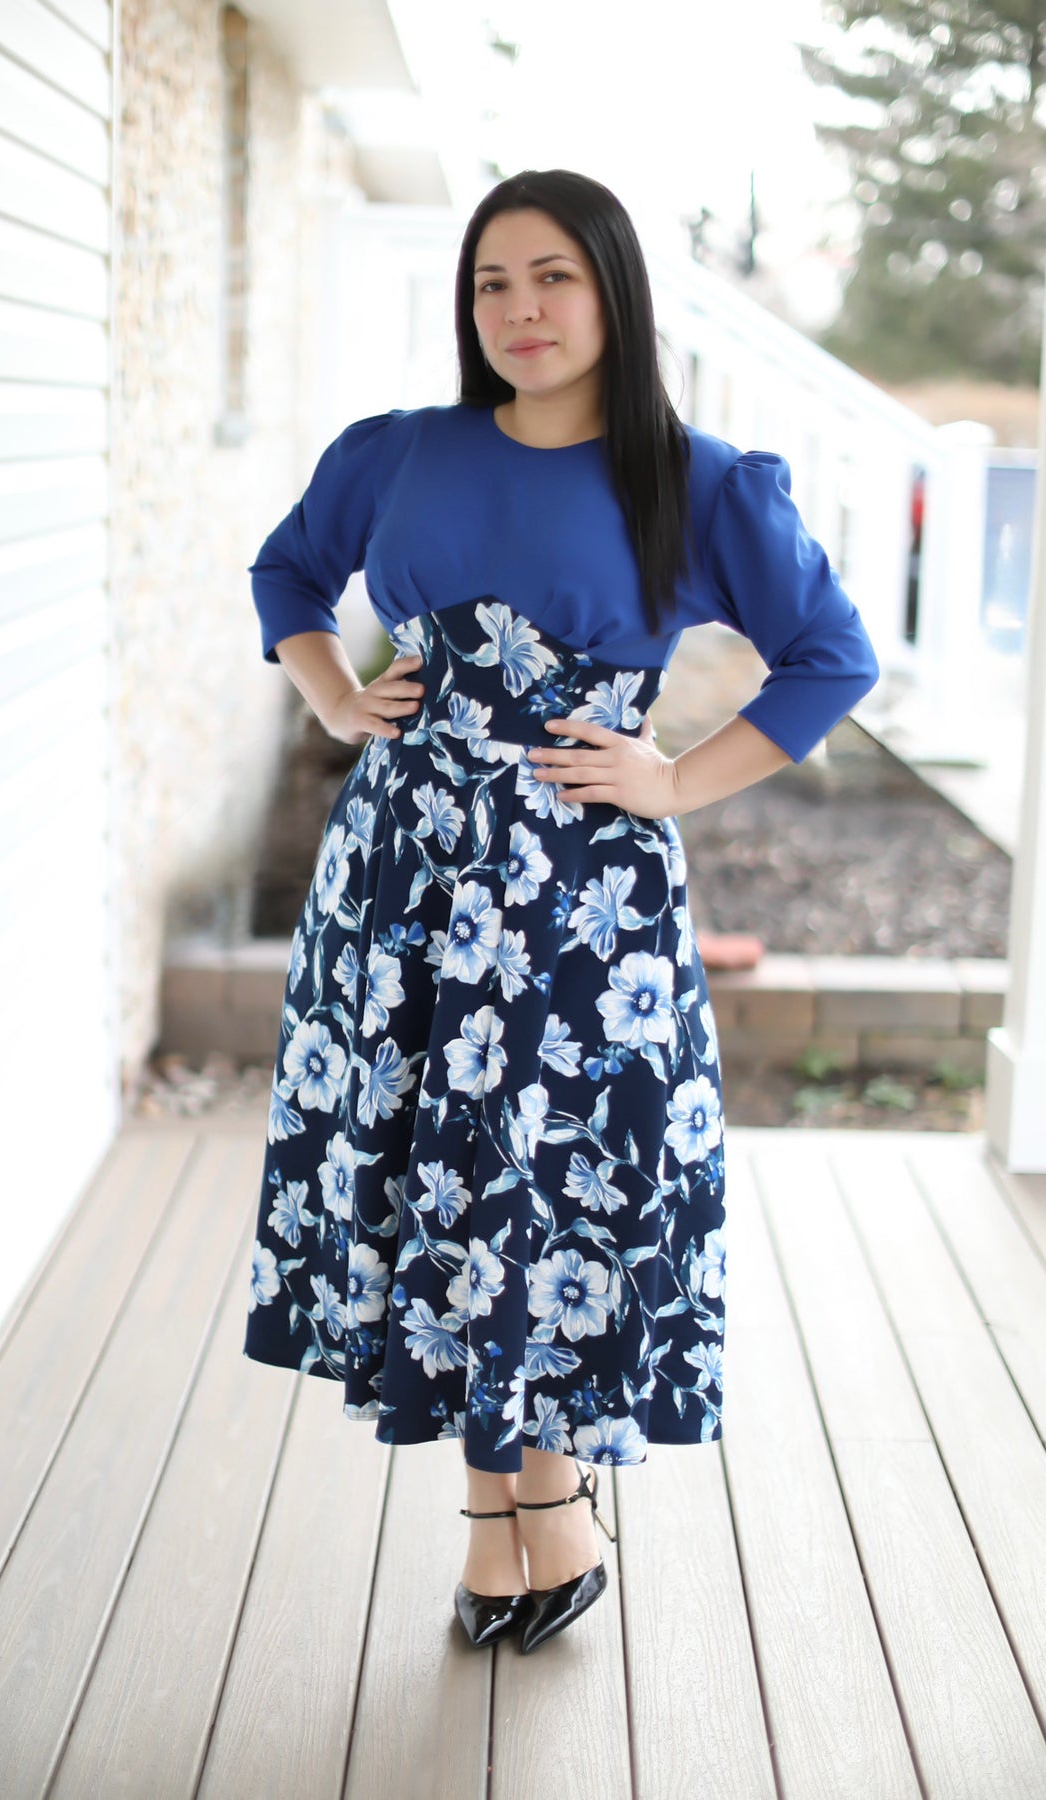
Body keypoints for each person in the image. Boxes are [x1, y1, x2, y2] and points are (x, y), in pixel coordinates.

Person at [241, 169, 879, 1656]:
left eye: (552, 278)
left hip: (580, 901)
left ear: (612, 295)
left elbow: (830, 658)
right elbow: (288, 572)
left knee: (538, 1183)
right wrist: (335, 696)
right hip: (402, 878)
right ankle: (511, 1514)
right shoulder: (400, 453)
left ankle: (539, 1508)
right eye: (492, 283)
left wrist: (675, 781)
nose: (519, 310)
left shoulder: (695, 479)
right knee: (433, 1178)